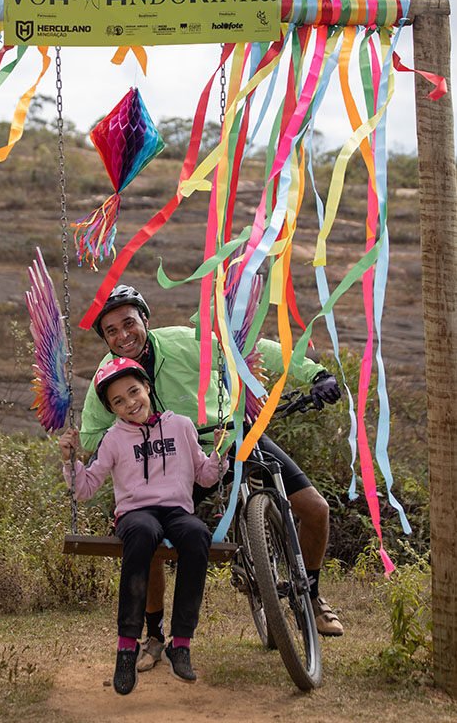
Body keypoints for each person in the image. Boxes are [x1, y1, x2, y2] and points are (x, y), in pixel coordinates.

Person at [80, 284, 344, 672]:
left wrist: (314, 373)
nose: (123, 336)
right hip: (176, 463)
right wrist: (134, 433)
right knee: (149, 536)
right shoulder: (109, 377)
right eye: (111, 331)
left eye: (128, 323)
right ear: (105, 338)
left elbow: (251, 350)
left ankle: (312, 597)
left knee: (315, 509)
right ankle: (154, 636)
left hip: (230, 437)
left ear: (145, 320)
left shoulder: (186, 343)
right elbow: (89, 434)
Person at [58, 357, 229, 695]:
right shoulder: (114, 439)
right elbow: (86, 488)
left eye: (134, 392)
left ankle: (180, 643)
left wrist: (219, 455)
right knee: (142, 533)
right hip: (137, 513)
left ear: (147, 388)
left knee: (197, 535)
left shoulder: (180, 426)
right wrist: (70, 461)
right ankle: (126, 646)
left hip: (177, 510)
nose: (129, 403)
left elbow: (204, 475)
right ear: (111, 409)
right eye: (118, 401)